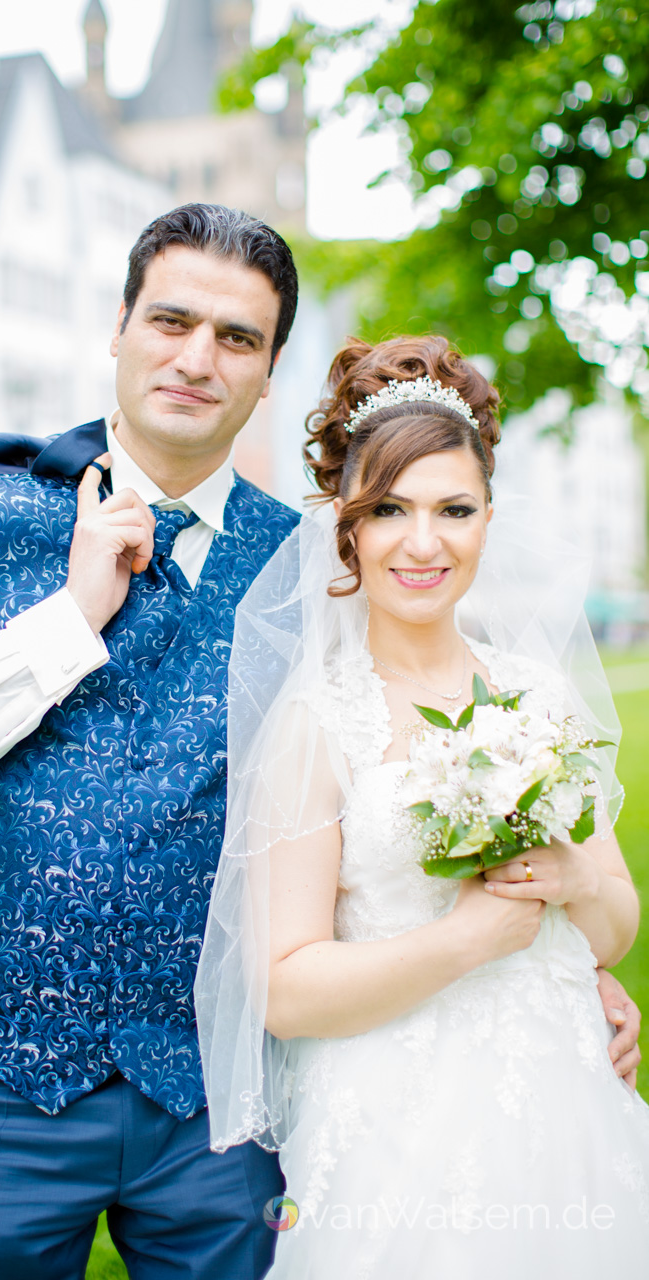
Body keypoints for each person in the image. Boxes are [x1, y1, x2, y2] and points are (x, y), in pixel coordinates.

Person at [0, 203, 301, 1279]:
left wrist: (553, 964)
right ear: (118, 328)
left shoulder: (306, 567)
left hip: (223, 1093)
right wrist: (68, 620)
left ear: (269, 374)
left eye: (237, 338)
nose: (196, 359)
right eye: (170, 320)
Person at [196, 335, 649, 1276]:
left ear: (488, 519)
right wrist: (466, 939)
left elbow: (612, 927)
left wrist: (572, 875)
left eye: (453, 510)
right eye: (389, 510)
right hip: (396, 1124)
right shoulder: (318, 723)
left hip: (566, 1095)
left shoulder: (535, 693)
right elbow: (284, 992)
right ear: (348, 527)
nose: (422, 543)